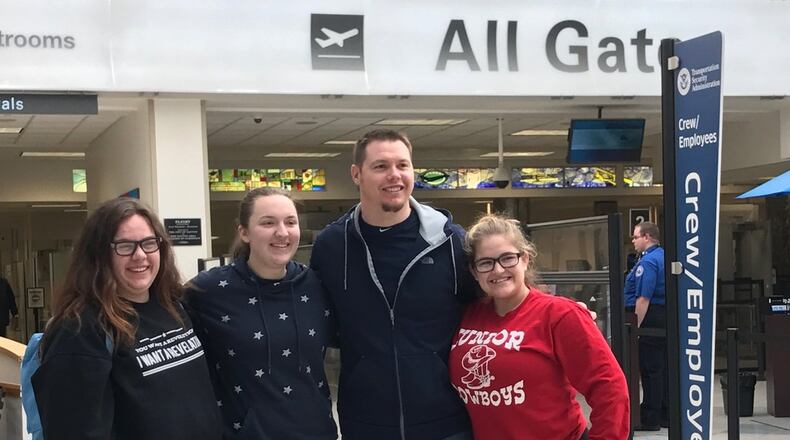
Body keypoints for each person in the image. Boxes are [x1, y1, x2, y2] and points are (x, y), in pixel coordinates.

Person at [311, 129, 476, 439]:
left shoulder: (450, 242)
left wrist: (556, 313)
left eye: (403, 165)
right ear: (356, 174)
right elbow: (312, 320)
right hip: (365, 422)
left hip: (447, 422)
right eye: (381, 166)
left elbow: (493, 306)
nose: (394, 176)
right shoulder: (333, 246)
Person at [32, 197, 222, 440]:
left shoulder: (173, 307)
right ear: (98, 255)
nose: (140, 255)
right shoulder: (80, 330)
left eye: (149, 243)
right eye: (124, 246)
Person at [449, 214, 629, 439]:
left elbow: (609, 388)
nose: (497, 270)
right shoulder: (468, 315)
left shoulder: (560, 314)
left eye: (507, 258)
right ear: (475, 272)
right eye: (486, 262)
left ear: (524, 259)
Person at [185, 187, 337, 439]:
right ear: (244, 232)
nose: (282, 232)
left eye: (290, 222)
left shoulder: (317, 285)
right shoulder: (207, 290)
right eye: (268, 223)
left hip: (315, 432)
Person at [623, 221, 667, 431]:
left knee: (650, 370)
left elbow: (643, 298)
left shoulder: (648, 263)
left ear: (647, 237)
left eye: (635, 237)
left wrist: (635, 329)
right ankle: (664, 413)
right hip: (662, 316)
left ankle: (650, 417)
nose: (633, 241)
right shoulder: (663, 256)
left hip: (648, 316)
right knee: (662, 367)